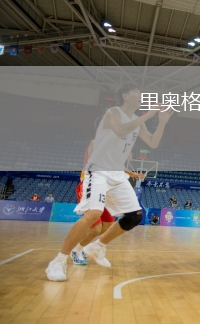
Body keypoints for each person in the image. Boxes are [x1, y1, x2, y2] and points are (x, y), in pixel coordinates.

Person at [46, 83, 173, 282]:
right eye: (137, 93)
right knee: (94, 214)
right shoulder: (113, 113)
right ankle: (58, 261)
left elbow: (153, 142)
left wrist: (162, 123)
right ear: (125, 95)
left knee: (135, 216)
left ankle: (97, 247)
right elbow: (121, 131)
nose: (141, 96)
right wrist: (148, 115)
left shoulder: (138, 121)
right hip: (99, 170)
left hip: (117, 174)